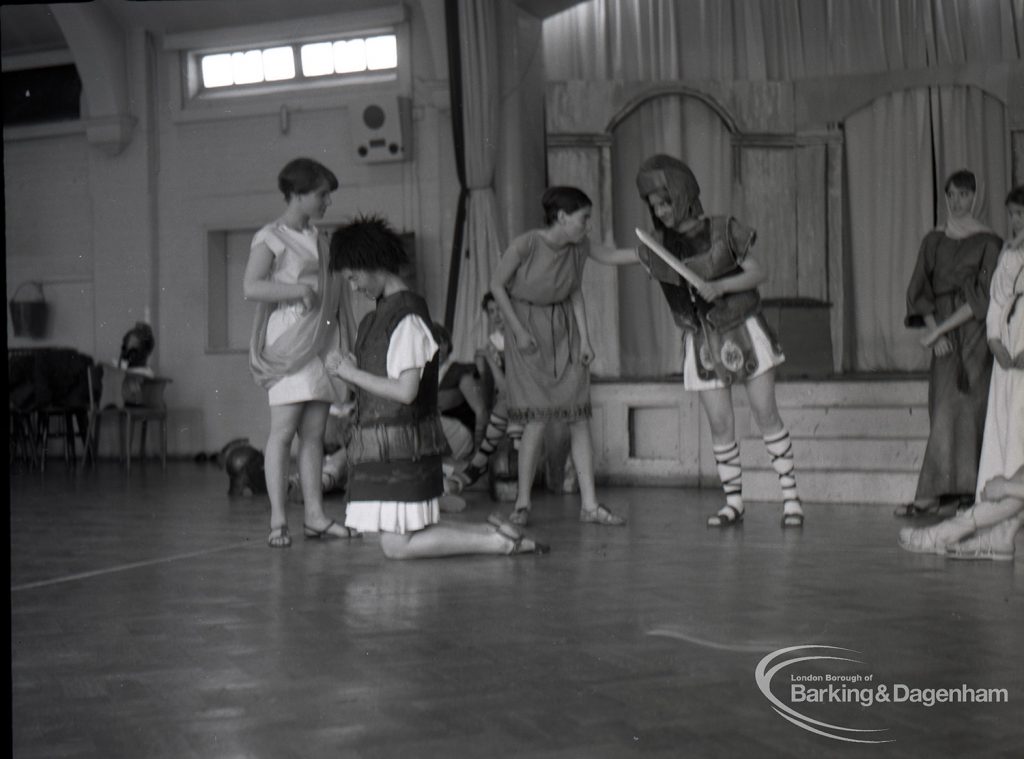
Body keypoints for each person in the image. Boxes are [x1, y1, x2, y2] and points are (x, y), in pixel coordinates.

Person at [325, 214, 548, 558]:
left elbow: (405, 391)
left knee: (395, 546)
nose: (353, 287)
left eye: (353, 277)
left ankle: (496, 543)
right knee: (401, 536)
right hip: (385, 445)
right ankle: (494, 532)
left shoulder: (407, 317)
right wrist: (351, 370)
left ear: (370, 264)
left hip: (401, 446)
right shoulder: (378, 317)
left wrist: (351, 374)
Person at [634, 154, 804, 528]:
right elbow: (621, 256)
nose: (661, 211)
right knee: (720, 424)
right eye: (654, 205)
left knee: (765, 414)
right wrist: (576, 247)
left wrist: (721, 286)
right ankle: (734, 502)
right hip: (701, 341)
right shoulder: (661, 246)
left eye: (665, 201)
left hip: (744, 328)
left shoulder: (723, 229)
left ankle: (791, 498)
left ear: (682, 195)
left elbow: (759, 272)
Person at [490, 186, 638, 527]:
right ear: (562, 217)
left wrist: (586, 339)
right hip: (527, 328)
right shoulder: (526, 244)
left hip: (565, 331)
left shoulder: (579, 247)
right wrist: (519, 331)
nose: (588, 225)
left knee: (578, 415)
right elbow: (497, 286)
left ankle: (590, 505)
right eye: (584, 218)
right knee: (536, 418)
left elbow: (581, 285)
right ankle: (523, 504)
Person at [899, 185, 1024, 560]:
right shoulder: (1009, 252)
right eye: (1014, 215)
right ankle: (1002, 534)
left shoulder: (992, 246)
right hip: (1008, 359)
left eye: (1023, 214)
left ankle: (951, 531)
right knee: (1010, 454)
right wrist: (996, 340)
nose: (1017, 222)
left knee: (1011, 477)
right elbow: (999, 300)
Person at [245, 157, 358, 548]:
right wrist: (297, 290)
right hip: (291, 339)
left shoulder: (320, 239)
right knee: (283, 432)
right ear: (296, 195)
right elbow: (252, 286)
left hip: (321, 340)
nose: (327, 201)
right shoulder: (270, 236)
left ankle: (315, 516)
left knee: (313, 435)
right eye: (321, 194)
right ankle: (278, 519)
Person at [446, 292, 514, 493]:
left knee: (508, 403)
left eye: (500, 309)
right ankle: (479, 462)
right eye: (492, 311)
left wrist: (490, 359)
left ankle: (478, 463)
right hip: (508, 405)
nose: (497, 316)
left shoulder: (519, 337)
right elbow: (492, 391)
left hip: (529, 398)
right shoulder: (492, 343)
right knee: (503, 406)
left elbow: (506, 388)